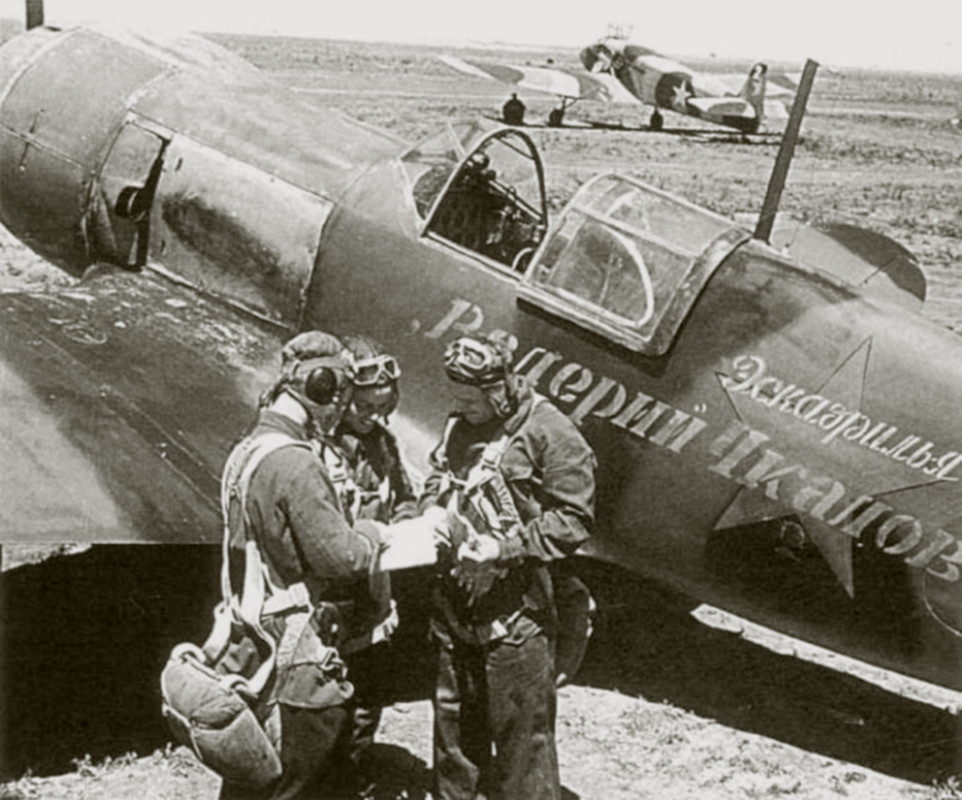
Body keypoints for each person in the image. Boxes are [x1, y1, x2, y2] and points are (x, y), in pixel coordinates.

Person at [216, 331, 409, 800]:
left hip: (254, 636)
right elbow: (342, 557)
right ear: (323, 389)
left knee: (255, 776)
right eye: (341, 399)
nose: (343, 413)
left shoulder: (250, 448)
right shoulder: (297, 463)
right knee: (296, 781)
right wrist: (372, 532)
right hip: (295, 651)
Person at [419, 334, 597, 800]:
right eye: (455, 396)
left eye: (470, 399)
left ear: (499, 389)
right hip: (455, 609)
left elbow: (575, 521)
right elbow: (440, 473)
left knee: (524, 750)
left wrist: (505, 548)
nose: (460, 407)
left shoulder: (551, 433)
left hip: (517, 621)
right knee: (454, 741)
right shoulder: (460, 423)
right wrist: (434, 509)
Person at [329, 334, 419, 793]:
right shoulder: (317, 447)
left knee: (367, 694)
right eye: (365, 407)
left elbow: (404, 499)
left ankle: (352, 773)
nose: (374, 417)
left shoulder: (383, 444)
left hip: (373, 596)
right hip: (327, 599)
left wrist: (405, 527)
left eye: (383, 408)